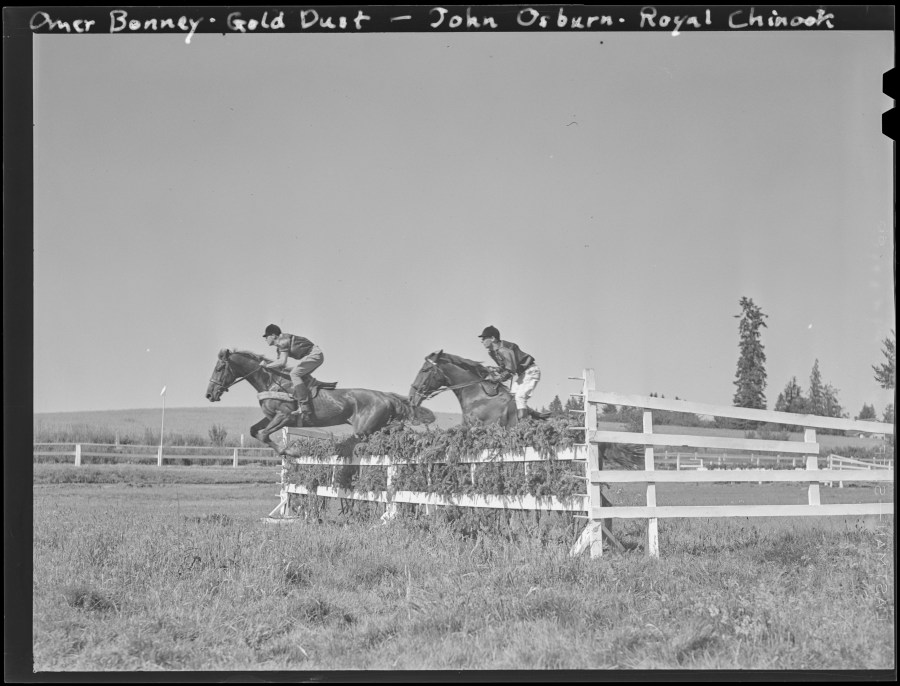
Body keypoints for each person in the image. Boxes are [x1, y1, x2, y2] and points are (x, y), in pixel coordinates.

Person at [261, 324, 324, 425]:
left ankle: (304, 406)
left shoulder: (282, 341)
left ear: (273, 335)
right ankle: (307, 395)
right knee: (292, 373)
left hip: (315, 355)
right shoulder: (280, 346)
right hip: (311, 356)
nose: (265, 339)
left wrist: (267, 366)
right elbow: (281, 366)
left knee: (294, 374)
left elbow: (282, 362)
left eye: (266, 336)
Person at [478, 325, 541, 421]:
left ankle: (523, 425)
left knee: (520, 397)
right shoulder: (493, 352)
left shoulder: (504, 350)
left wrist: (494, 379)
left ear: (492, 338)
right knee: (512, 398)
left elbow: (510, 372)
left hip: (531, 372)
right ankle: (530, 418)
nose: (481, 341)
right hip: (524, 374)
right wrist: (493, 370)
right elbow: (504, 368)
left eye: (484, 338)